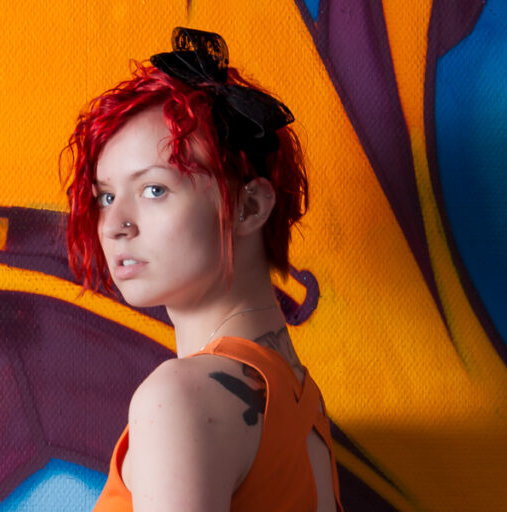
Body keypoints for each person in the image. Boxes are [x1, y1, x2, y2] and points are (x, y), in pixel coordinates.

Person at [63, 28, 343, 511]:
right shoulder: (302, 400)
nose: (114, 226)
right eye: (106, 196)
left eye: (154, 190)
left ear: (249, 206)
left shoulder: (179, 399)